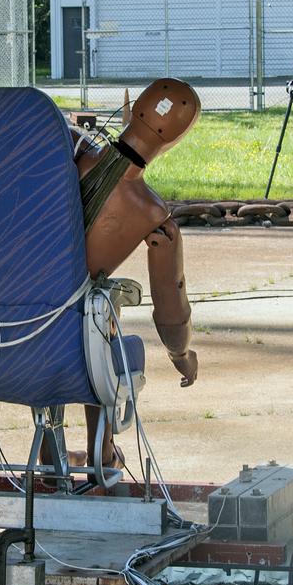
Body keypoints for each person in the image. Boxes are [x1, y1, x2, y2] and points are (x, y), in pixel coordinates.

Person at [64, 77, 203, 468]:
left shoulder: (71, 147)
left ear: (132, 109)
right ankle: (102, 452)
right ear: (175, 141)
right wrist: (182, 355)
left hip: (10, 306)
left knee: (91, 310)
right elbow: (170, 307)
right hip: (75, 331)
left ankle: (49, 450)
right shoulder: (154, 216)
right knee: (100, 313)